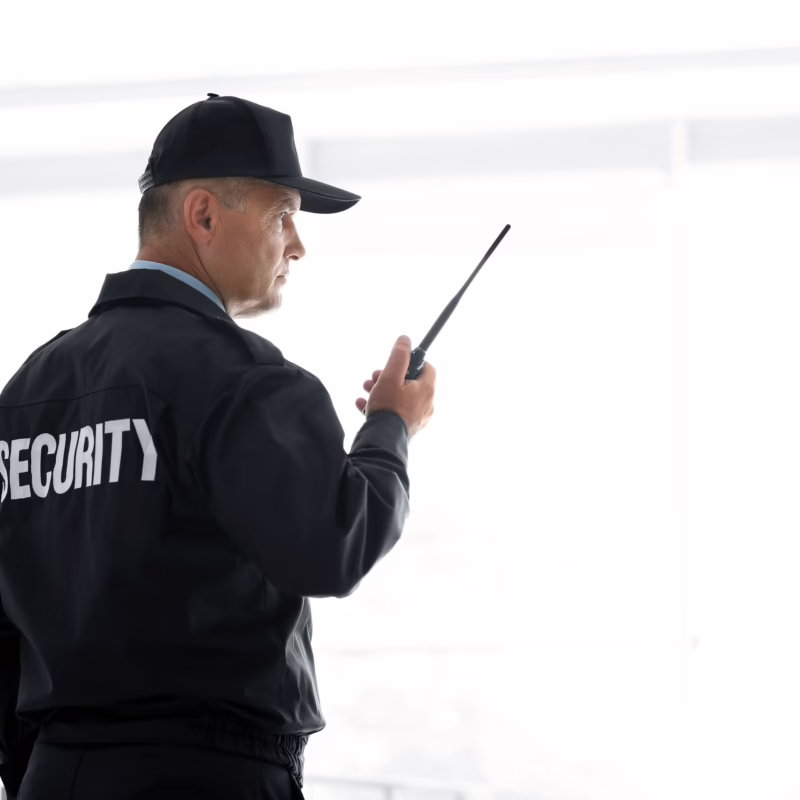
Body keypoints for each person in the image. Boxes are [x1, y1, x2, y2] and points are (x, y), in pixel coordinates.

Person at [0, 94, 436, 800]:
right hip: (207, 773)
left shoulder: (24, 393)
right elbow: (331, 546)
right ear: (203, 215)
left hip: (52, 774)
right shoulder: (244, 378)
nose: (297, 244)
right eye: (282, 215)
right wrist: (390, 429)